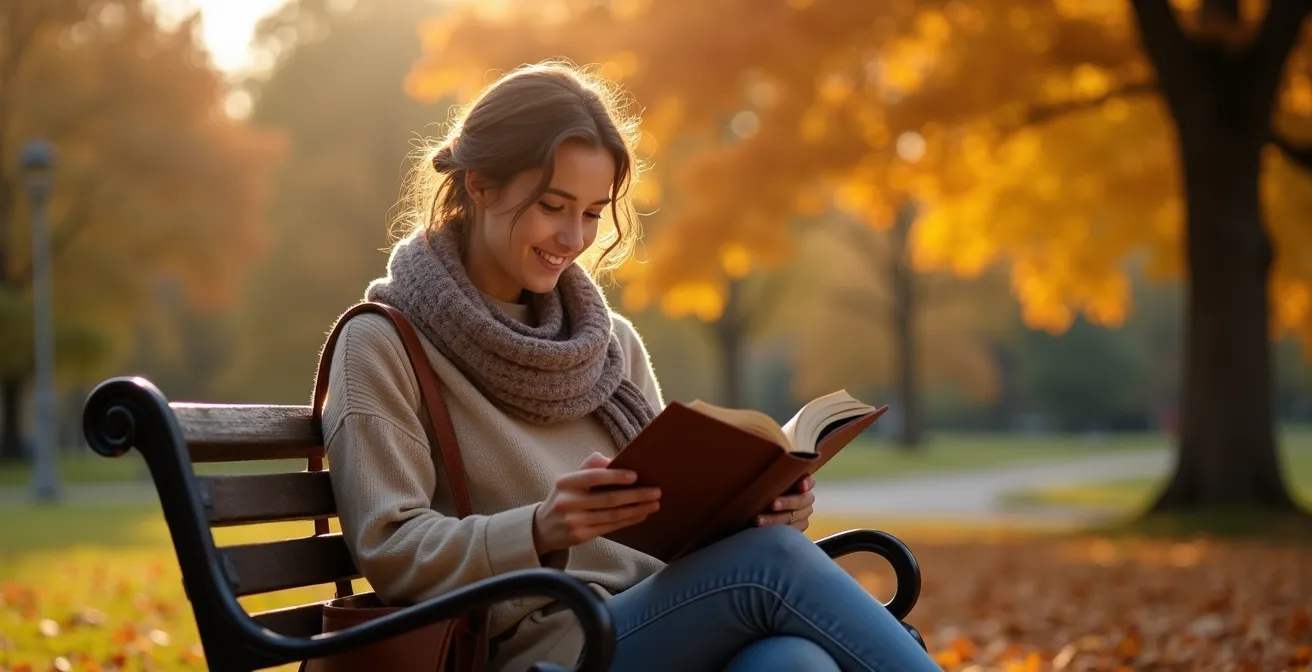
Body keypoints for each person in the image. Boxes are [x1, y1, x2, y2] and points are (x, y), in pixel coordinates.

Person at [319, 60, 940, 672]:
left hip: (655, 623)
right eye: (553, 205)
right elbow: (391, 548)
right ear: (480, 184)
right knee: (771, 564)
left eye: (591, 213)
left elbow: (672, 526)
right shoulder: (384, 345)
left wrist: (761, 511)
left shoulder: (608, 344)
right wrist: (539, 528)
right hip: (538, 649)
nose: (574, 238)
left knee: (794, 663)